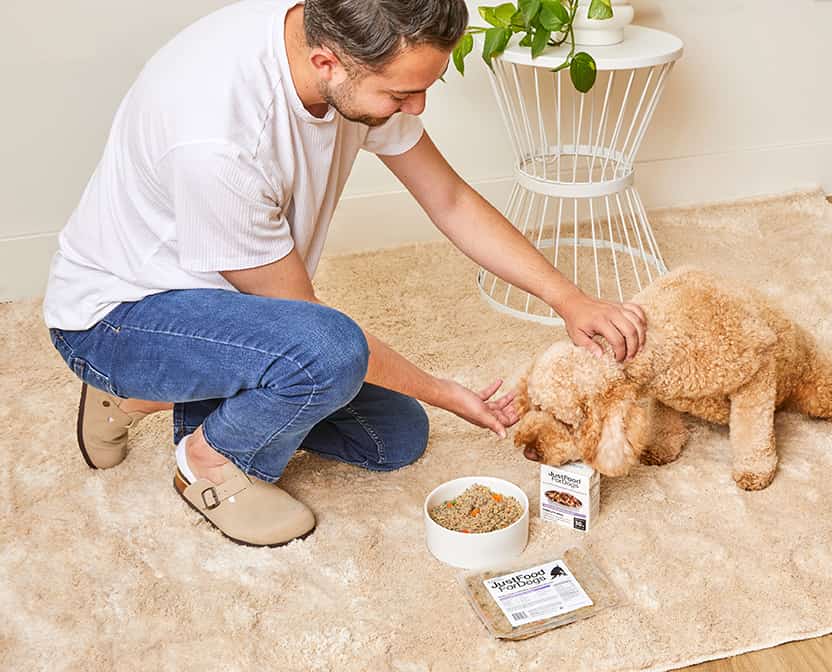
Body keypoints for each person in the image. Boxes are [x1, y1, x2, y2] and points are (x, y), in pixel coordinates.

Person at [43, 0, 647, 548]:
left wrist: (568, 298)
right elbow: (311, 327)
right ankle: (206, 461)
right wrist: (448, 394)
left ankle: (153, 398)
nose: (416, 108)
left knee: (395, 437)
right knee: (329, 352)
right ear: (327, 61)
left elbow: (450, 200)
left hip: (228, 309)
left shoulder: (346, 39)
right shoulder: (217, 142)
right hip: (121, 319)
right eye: (401, 95)